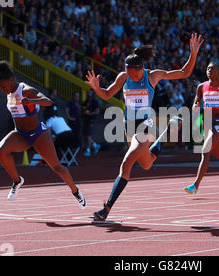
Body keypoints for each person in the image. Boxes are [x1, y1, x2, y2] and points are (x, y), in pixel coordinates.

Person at [85, 33, 204, 221]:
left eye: (136, 74)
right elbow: (107, 94)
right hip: (128, 127)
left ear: (142, 68)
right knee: (147, 164)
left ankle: (106, 209)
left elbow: (184, 72)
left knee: (126, 163)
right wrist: (96, 87)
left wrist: (193, 53)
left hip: (145, 127)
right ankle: (170, 129)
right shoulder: (124, 77)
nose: (132, 76)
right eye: (130, 73)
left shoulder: (153, 75)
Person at [0, 61, 86, 209]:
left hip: (38, 134)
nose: (3, 90)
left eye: (4, 87)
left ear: (11, 80)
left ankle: (76, 192)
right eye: (0, 88)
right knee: (1, 151)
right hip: (21, 135)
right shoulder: (9, 93)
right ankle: (17, 181)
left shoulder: (26, 90)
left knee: (56, 167)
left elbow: (48, 101)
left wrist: (30, 100)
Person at [184, 61, 219, 194]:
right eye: (207, 68)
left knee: (205, 152)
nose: (208, 70)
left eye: (212, 69)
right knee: (218, 154)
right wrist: (195, 107)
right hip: (206, 121)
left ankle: (195, 185)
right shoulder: (201, 86)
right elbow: (196, 101)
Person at [81, 90, 101, 156]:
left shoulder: (95, 102)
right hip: (85, 119)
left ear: (93, 94)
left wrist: (90, 114)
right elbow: (83, 109)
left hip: (91, 120)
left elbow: (97, 112)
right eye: (88, 92)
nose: (89, 93)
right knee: (86, 135)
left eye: (91, 92)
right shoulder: (86, 101)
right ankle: (95, 145)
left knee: (89, 135)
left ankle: (88, 150)